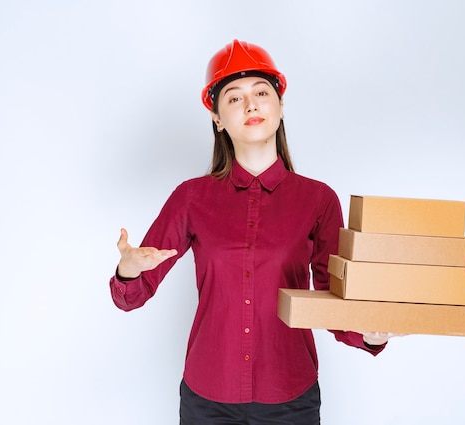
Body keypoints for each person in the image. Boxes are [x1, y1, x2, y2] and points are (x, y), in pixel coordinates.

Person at [109, 39, 395, 424]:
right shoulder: (191, 198)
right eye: (234, 98)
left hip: (290, 395)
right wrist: (129, 269)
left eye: (261, 93)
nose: (251, 105)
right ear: (217, 118)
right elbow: (130, 297)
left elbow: (332, 297)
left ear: (279, 107)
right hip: (208, 396)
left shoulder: (319, 199)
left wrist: (372, 335)